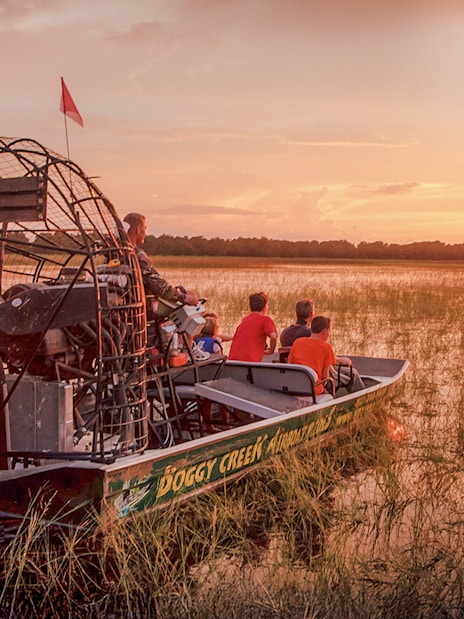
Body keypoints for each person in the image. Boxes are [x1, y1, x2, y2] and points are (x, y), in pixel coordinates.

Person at [123, 212, 198, 306]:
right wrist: (183, 297)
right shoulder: (136, 254)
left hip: (125, 308)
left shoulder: (116, 253)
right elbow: (158, 284)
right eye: (145, 228)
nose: (145, 233)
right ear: (138, 229)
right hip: (141, 309)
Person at [288, 315, 365, 394]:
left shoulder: (298, 342)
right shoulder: (326, 348)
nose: (329, 334)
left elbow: (289, 364)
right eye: (329, 331)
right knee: (332, 384)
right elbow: (325, 377)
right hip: (314, 388)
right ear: (324, 332)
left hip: (295, 385)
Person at [228, 292, 277, 362]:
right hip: (250, 362)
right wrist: (271, 351)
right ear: (265, 307)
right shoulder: (265, 320)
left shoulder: (244, 320)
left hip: (233, 360)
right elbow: (273, 336)